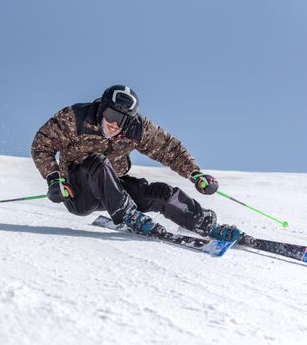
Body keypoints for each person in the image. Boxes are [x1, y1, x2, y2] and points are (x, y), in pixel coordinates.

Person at [31, 85, 241, 242]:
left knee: (159, 193)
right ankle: (128, 215)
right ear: (101, 108)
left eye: (122, 120)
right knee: (97, 161)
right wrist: (53, 179)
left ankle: (202, 222)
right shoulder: (75, 118)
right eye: (111, 115)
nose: (114, 124)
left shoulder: (138, 128)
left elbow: (170, 149)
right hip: (79, 191)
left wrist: (196, 174)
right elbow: (42, 145)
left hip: (113, 187)